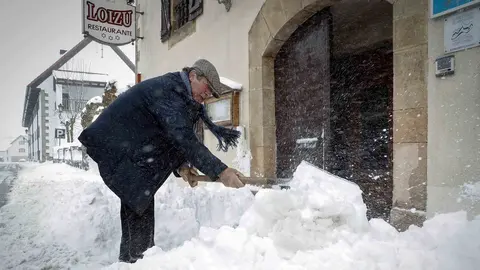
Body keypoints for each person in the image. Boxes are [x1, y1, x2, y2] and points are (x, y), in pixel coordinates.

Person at [78, 59, 245, 263]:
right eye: (208, 87)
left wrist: (182, 167)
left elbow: (168, 136)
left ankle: (131, 260)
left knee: (137, 201)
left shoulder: (177, 93)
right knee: (139, 200)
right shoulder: (169, 92)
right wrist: (222, 171)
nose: (208, 94)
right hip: (119, 147)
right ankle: (140, 261)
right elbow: (183, 138)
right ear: (193, 76)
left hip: (130, 150)